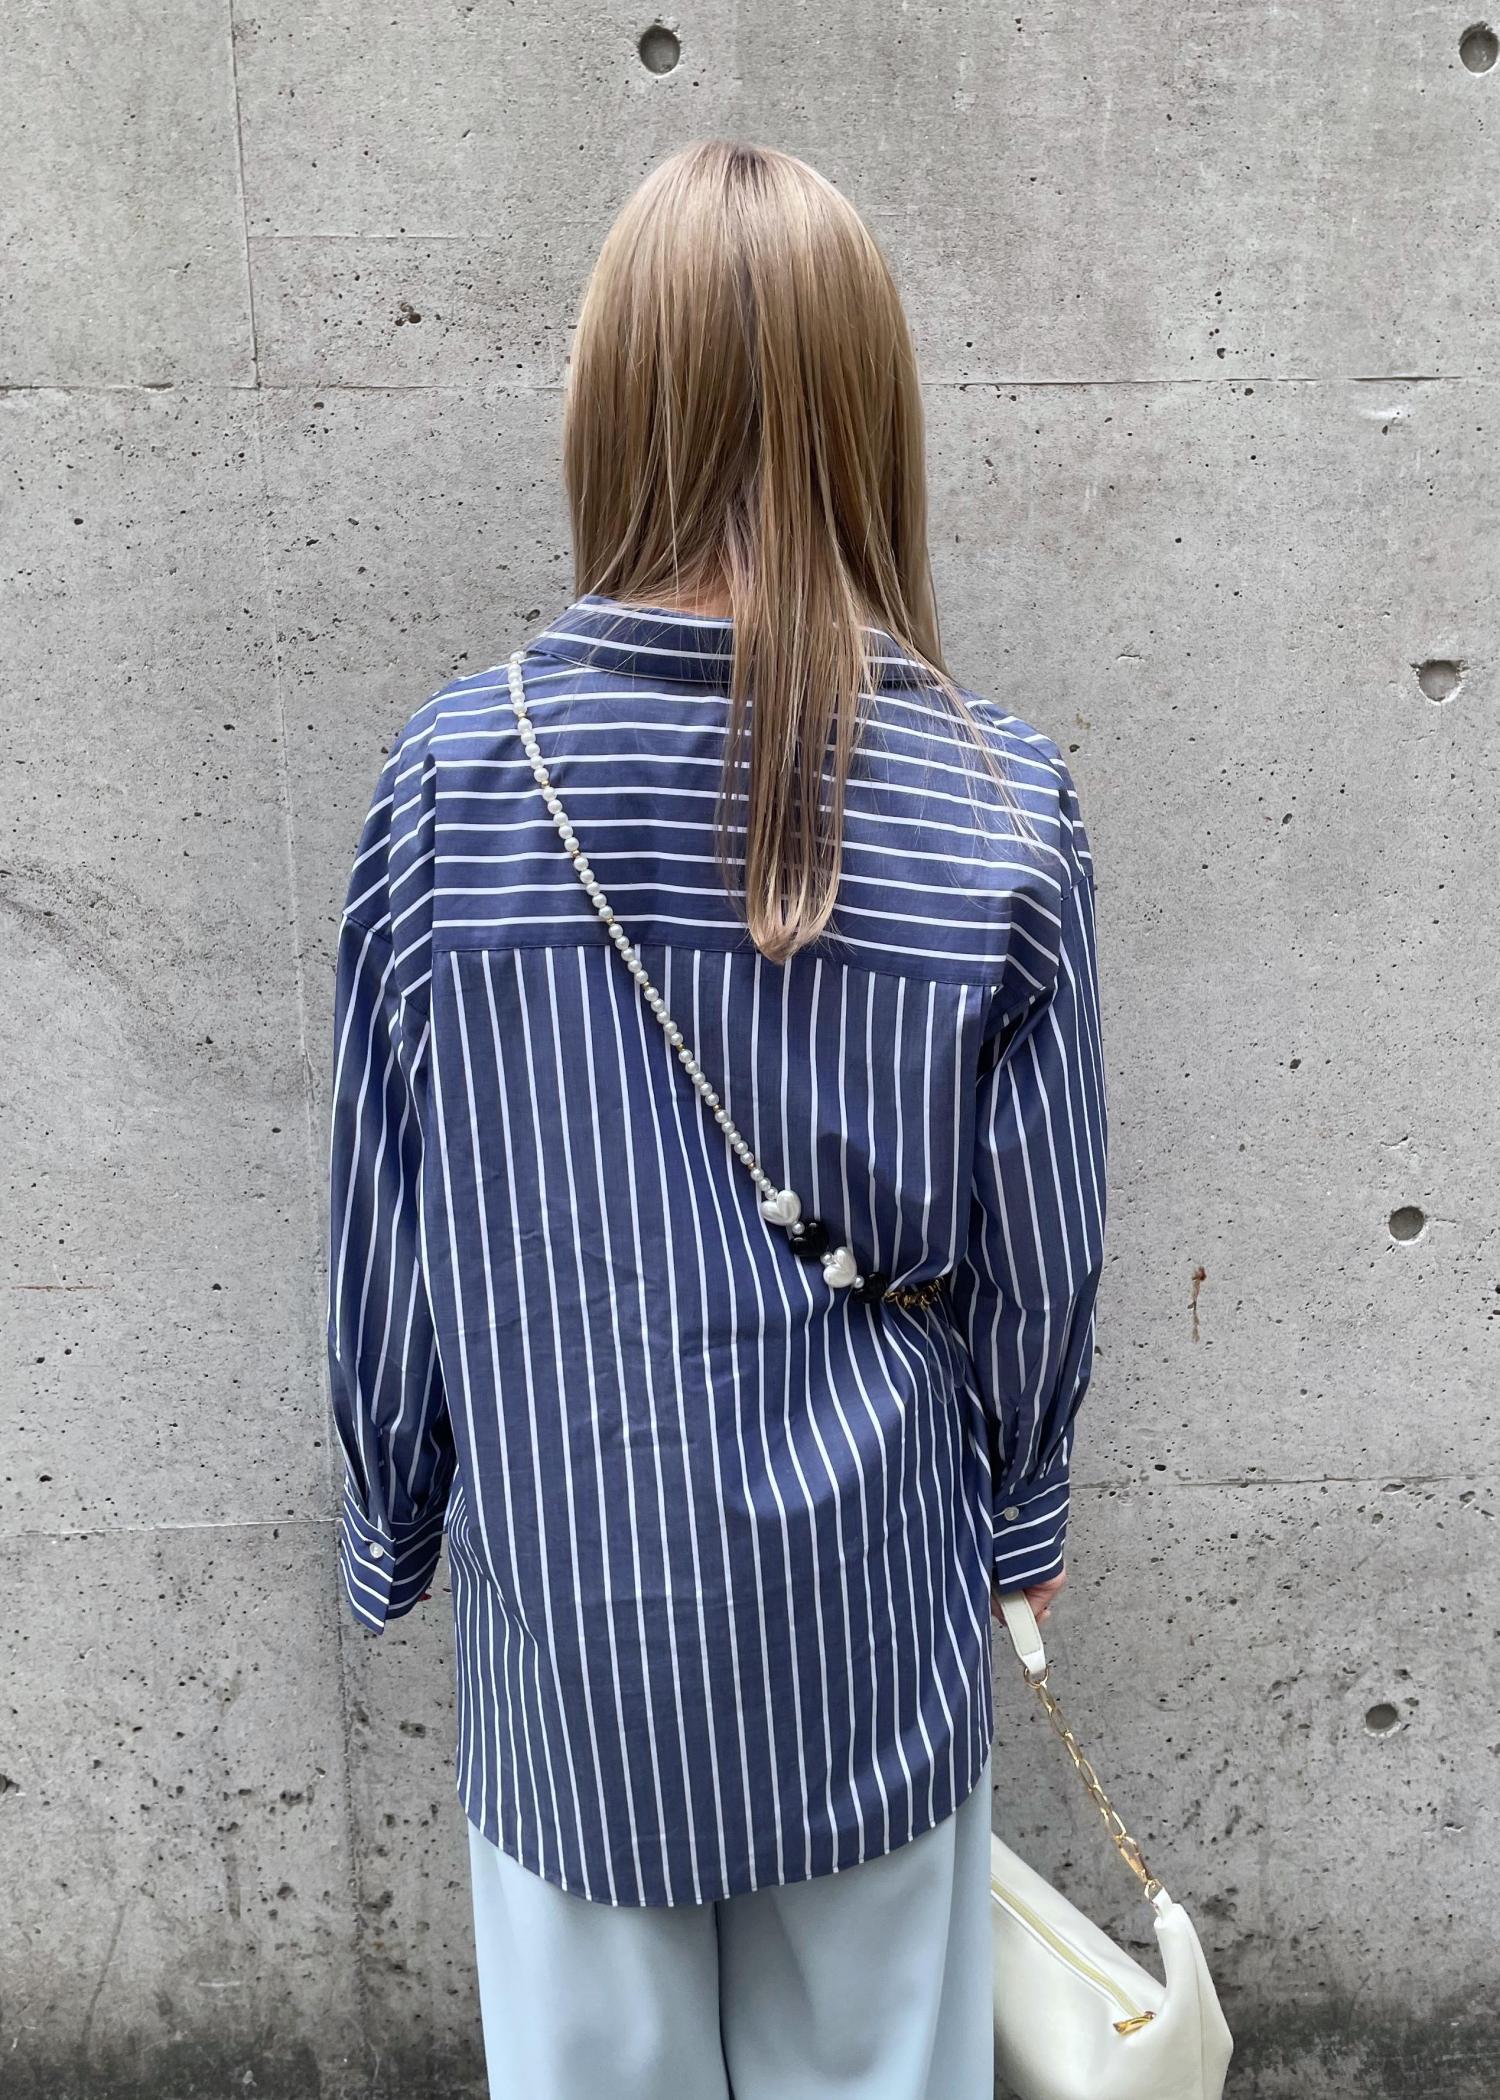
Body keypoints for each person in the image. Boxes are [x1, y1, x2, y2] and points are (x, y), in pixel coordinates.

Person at [325, 139, 1106, 2100]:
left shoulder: (451, 788)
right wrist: (1021, 1509)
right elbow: (1044, 1251)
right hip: (871, 1623)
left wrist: (395, 1511)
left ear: (613, 405)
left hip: (576, 1636)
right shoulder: (1002, 800)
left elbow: (385, 1230)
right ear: (874, 417)